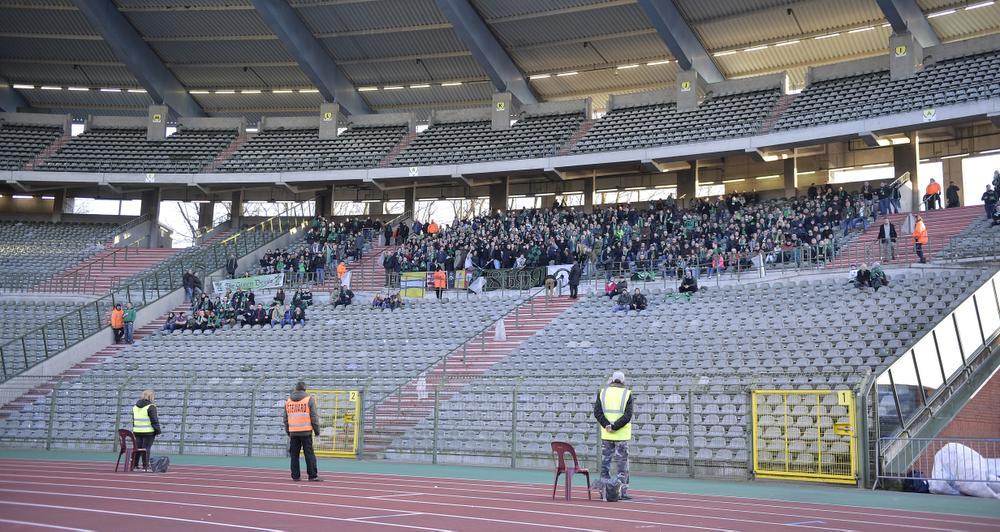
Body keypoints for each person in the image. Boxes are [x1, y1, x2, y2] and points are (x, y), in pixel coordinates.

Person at [593, 371, 633, 500]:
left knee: (606, 464)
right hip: (621, 435)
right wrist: (615, 426)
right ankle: (621, 492)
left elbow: (597, 412)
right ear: (623, 381)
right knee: (622, 465)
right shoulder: (627, 394)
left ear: (612, 380)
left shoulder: (603, 392)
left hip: (607, 434)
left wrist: (607, 425)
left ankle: (604, 491)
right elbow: (628, 415)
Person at [283, 381, 321, 482]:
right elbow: (314, 417)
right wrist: (317, 431)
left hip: (293, 432)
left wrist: (288, 431)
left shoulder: (288, 401)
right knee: (309, 454)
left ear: (296, 389)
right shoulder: (309, 399)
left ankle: (295, 476)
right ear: (305, 389)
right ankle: (312, 475)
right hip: (306, 432)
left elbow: (285, 419)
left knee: (294, 455)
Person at [132, 389, 161, 471]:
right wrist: (158, 431)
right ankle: (145, 466)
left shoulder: (135, 407)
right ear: (151, 396)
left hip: (137, 431)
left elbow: (134, 420)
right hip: (148, 431)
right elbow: (154, 420)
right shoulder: (151, 406)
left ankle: (135, 465)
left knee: (138, 448)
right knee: (146, 448)